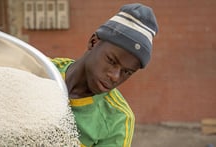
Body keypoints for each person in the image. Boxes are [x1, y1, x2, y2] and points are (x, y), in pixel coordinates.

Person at [51, 3, 158, 147]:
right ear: (93, 42)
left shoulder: (117, 119)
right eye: (112, 61)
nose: (115, 76)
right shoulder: (42, 71)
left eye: (127, 72)